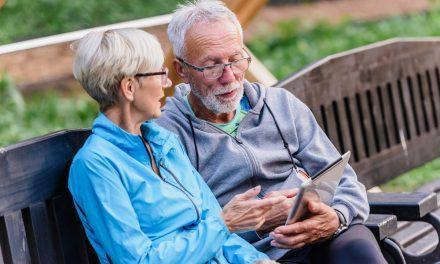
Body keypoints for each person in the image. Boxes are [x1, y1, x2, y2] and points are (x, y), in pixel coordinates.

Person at [156, 1, 387, 263]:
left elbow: (345, 180)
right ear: (181, 70)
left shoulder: (280, 104)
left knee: (358, 250)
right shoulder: (167, 135)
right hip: (247, 255)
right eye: (212, 66)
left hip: (320, 236)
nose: (229, 76)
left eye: (235, 59)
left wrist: (336, 218)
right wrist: (258, 223)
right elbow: (181, 233)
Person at [68, 28, 280, 264]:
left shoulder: (163, 142)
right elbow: (139, 261)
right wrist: (225, 224)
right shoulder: (96, 165)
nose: (167, 82)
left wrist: (255, 260)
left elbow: (212, 221)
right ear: (129, 88)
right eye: (160, 73)